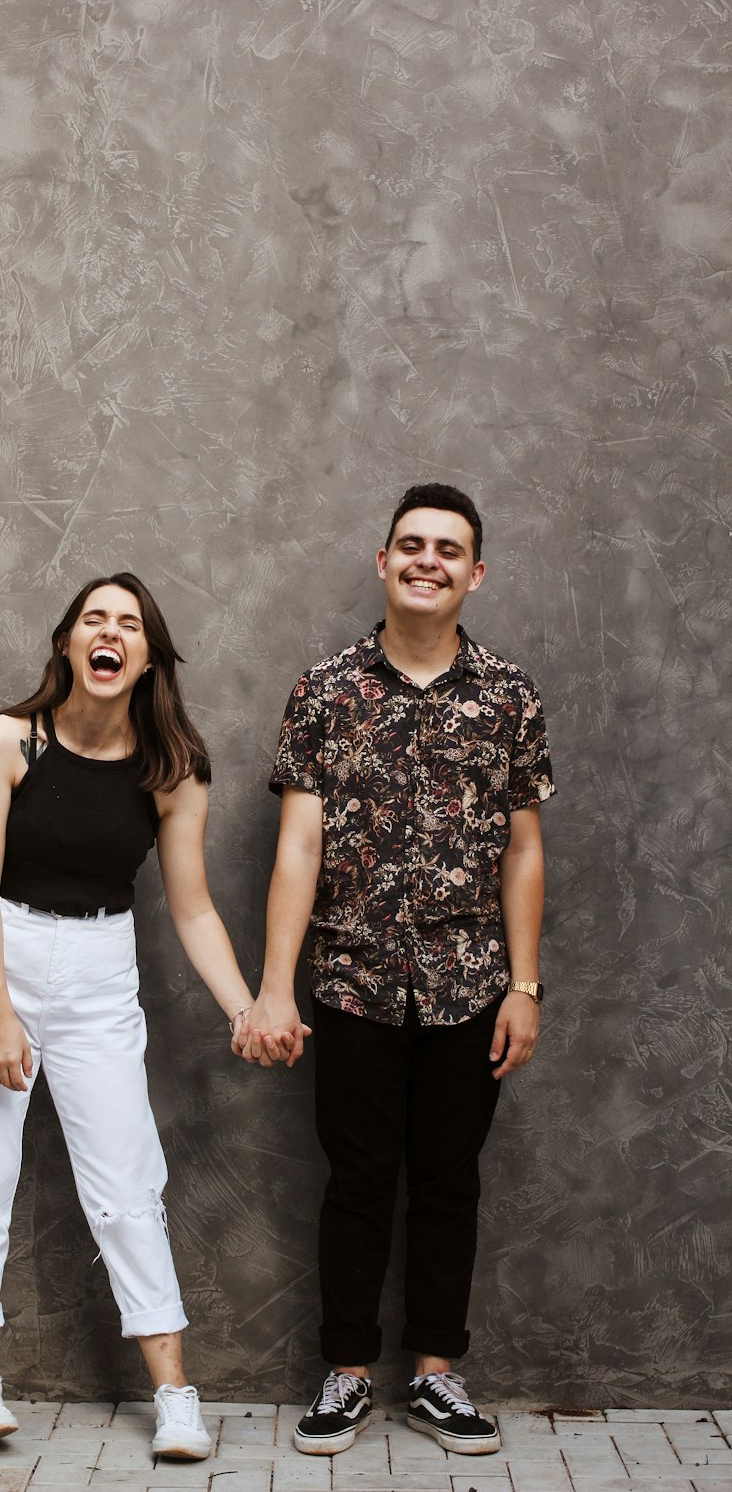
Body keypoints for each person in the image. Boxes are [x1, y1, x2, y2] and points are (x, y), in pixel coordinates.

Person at [239, 485, 555, 1456]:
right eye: (410, 545)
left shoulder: (508, 696)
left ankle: (434, 1375)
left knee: (450, 1181)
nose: (427, 561)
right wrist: (275, 985)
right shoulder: (326, 690)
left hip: (468, 986)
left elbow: (522, 851)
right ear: (382, 563)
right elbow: (297, 849)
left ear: (474, 573)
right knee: (358, 1179)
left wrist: (524, 985)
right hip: (354, 984)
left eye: (447, 549)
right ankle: (343, 1373)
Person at [0, 572, 262, 1460]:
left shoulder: (173, 767)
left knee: (126, 1188)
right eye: (94, 619)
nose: (110, 632)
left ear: (147, 654)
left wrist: (244, 1007)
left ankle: (175, 1398)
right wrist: (0, 1013)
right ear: (70, 644)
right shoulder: (7, 741)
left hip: (98, 970)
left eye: (129, 623)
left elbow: (191, 909)